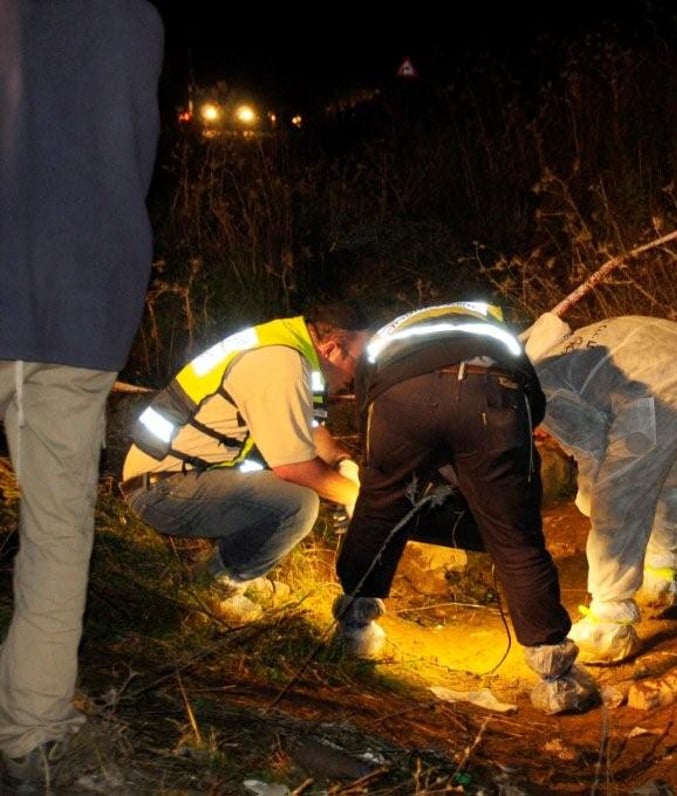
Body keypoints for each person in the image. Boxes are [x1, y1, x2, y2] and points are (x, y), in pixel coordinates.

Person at [0, 0, 163, 788]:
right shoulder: (128, 20)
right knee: (57, 529)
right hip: (58, 308)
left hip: (51, 296)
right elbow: (120, 161)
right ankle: (32, 729)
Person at [333, 301, 598, 715]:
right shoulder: (490, 323)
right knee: (516, 537)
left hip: (398, 395)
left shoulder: (390, 332)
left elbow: (368, 400)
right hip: (493, 393)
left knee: (378, 508)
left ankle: (353, 629)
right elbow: (532, 396)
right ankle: (556, 678)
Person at [119, 310, 370, 625]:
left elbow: (310, 427)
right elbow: (295, 468)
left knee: (286, 493)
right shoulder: (281, 364)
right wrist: (360, 498)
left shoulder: (285, 347)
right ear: (332, 347)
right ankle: (219, 583)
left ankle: (238, 568)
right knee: (297, 504)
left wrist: (342, 461)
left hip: (173, 476)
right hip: (160, 489)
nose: (358, 377)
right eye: (359, 364)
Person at [522, 314, 677, 664]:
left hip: (663, 383)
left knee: (617, 493)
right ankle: (664, 581)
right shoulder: (567, 350)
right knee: (668, 475)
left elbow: (595, 452)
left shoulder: (537, 386)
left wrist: (593, 502)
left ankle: (609, 625)